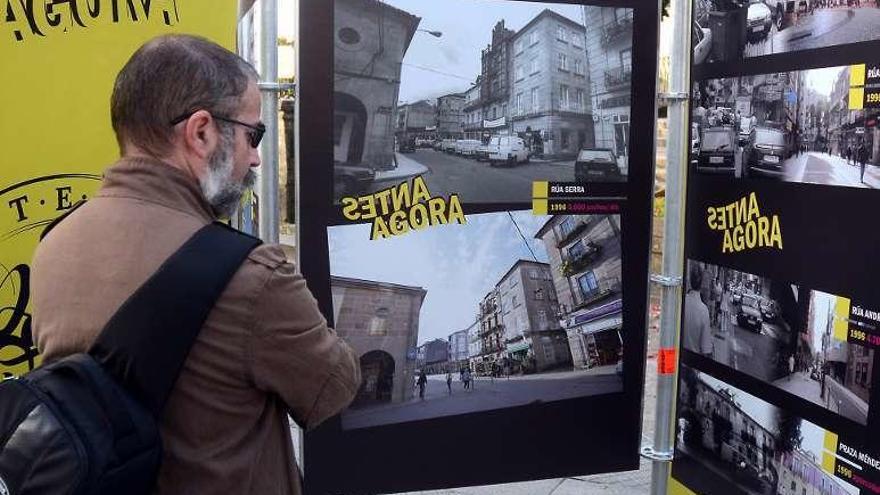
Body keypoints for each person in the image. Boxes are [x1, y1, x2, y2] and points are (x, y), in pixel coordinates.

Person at [29, 35, 360, 495]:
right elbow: (334, 388)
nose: (256, 156)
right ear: (201, 132)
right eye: (253, 134)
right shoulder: (252, 275)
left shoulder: (53, 245)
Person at [683, 264, 714, 359]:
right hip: (691, 365)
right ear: (702, 284)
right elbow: (706, 349)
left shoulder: (682, 300)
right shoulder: (703, 311)